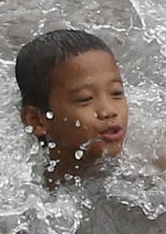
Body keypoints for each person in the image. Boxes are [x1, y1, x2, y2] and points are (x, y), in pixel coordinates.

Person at [15, 29, 127, 185]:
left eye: (116, 93)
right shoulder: (28, 195)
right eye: (85, 98)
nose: (108, 111)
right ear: (37, 120)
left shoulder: (152, 174)